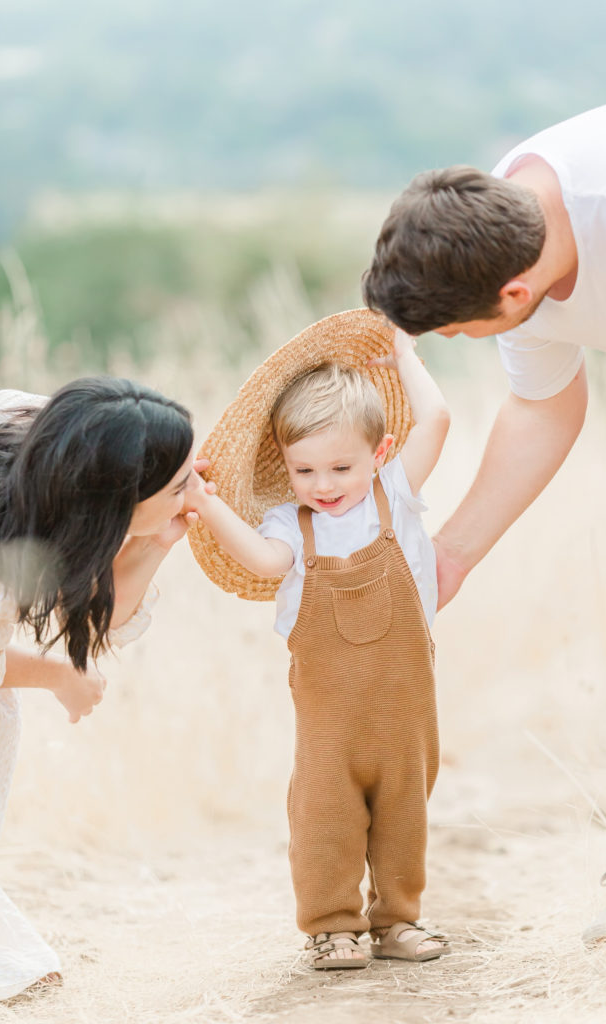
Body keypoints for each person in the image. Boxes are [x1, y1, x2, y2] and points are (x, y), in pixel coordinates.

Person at [361, 95, 606, 944]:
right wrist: (448, 558)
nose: (458, 341)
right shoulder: (498, 224)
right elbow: (542, 408)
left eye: (458, 330)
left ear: (516, 290)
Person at [187, 312, 450, 968]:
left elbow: (437, 419)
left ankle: (396, 920)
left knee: (403, 815)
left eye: (340, 467)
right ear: (285, 465)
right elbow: (263, 562)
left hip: (403, 707)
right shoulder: (287, 525)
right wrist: (206, 502)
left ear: (379, 453)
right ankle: (331, 926)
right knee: (323, 819)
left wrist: (404, 356)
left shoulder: (396, 493)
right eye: (305, 471)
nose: (324, 485)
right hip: (328, 717)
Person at [0, 378, 198, 1001]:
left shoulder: (33, 430)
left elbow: (102, 600)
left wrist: (158, 536)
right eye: (182, 482)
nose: (196, 489)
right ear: (117, 502)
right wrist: (60, 676)